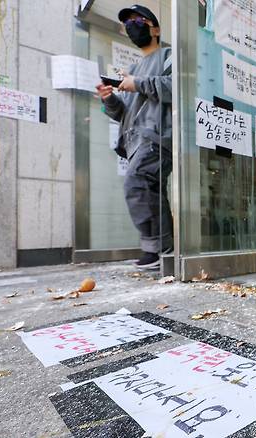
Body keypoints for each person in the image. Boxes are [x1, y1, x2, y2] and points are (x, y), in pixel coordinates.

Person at [96, 5, 172, 270]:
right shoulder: (132, 68)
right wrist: (111, 100)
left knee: (137, 182)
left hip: (157, 136)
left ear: (156, 29)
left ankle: (158, 248)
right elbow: (125, 114)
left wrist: (138, 83)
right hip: (134, 142)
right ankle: (163, 249)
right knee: (149, 190)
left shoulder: (169, 57)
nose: (132, 25)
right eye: (127, 23)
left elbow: (178, 88)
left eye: (138, 20)